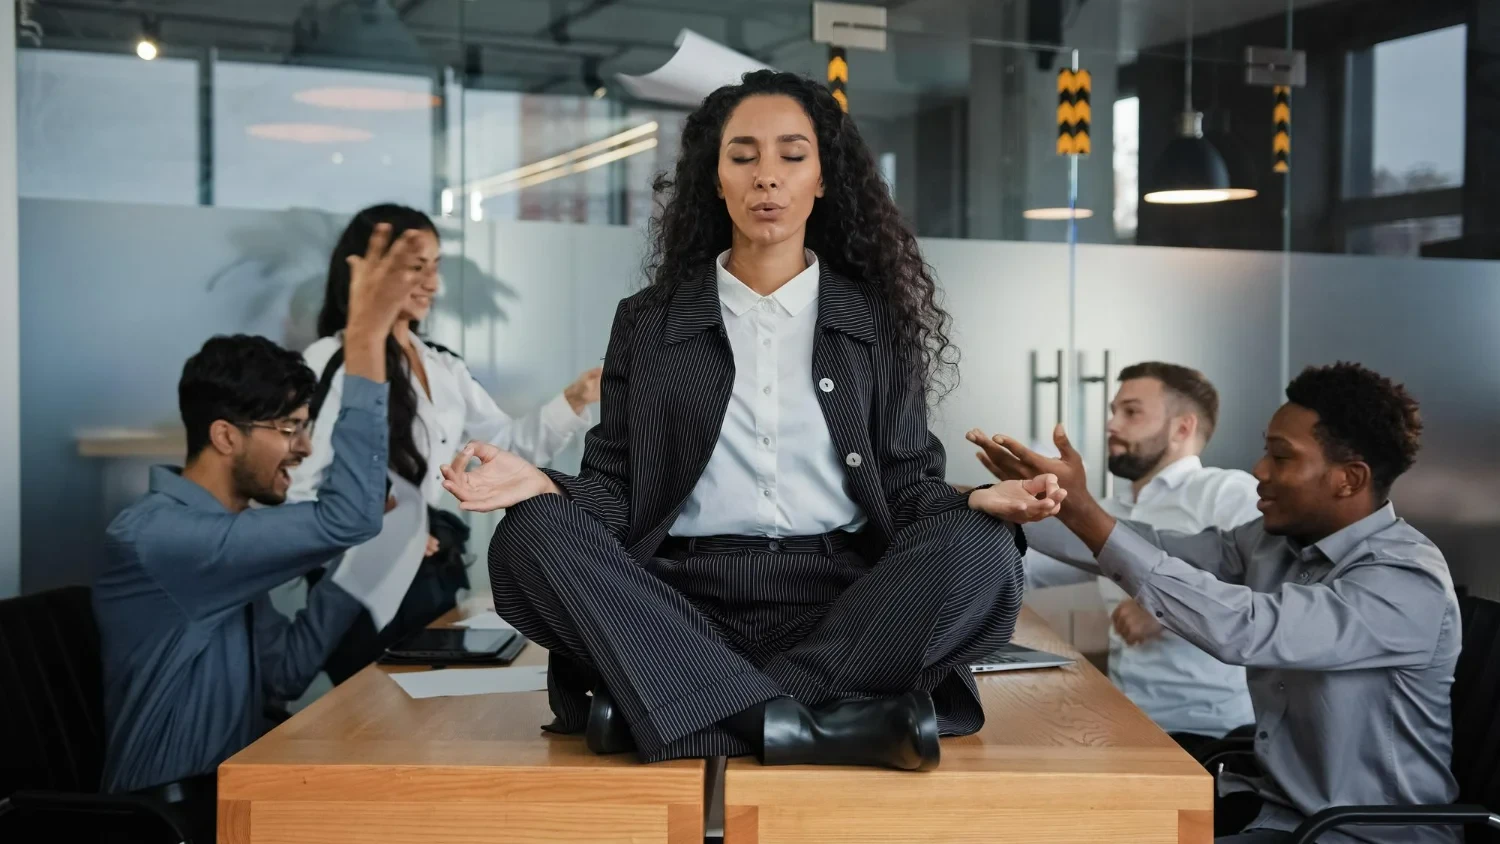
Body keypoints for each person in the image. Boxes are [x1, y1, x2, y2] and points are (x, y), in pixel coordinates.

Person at [440, 70, 1064, 772]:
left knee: (983, 547)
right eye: (743, 156)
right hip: (678, 606)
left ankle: (690, 712)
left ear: (823, 180)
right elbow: (616, 490)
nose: (767, 176)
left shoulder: (876, 321)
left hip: (842, 606)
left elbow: (905, 488)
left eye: (792, 156)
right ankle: (808, 723)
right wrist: (544, 485)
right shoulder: (649, 321)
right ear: (716, 180)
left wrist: (977, 500)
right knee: (528, 533)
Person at [970, 362, 1460, 844]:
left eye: (1280, 457)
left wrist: (1084, 513)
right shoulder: (1271, 542)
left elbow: (1248, 628)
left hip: (1360, 834)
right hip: (1273, 808)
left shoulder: (1405, 578)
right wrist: (986, 501)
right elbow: (1151, 546)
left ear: (1349, 479)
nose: (1259, 470)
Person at [93, 225, 423, 840]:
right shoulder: (165, 540)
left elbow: (285, 673)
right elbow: (347, 516)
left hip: (232, 791)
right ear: (225, 436)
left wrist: (365, 560)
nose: (303, 448)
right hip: (167, 818)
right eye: (289, 428)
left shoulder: (223, 538)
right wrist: (364, 339)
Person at [288, 203, 602, 684]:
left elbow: (505, 450)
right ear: (369, 272)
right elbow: (299, 487)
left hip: (430, 577)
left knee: (429, 711)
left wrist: (576, 397)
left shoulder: (441, 364)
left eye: (435, 266)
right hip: (362, 584)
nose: (432, 284)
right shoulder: (329, 360)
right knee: (370, 715)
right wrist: (384, 531)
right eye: (417, 268)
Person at [1018, 362, 1259, 751]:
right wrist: (1007, 501)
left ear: (1183, 428)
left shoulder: (1228, 492)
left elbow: (1269, 581)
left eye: (1131, 412)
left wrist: (1167, 609)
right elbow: (1025, 568)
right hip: (1127, 723)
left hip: (1210, 733)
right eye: (1114, 411)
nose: (1111, 425)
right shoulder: (1106, 511)